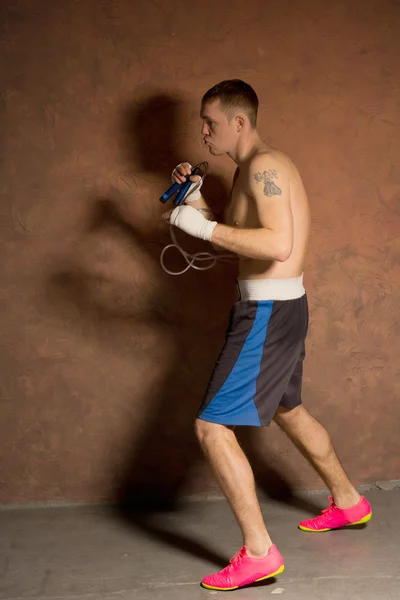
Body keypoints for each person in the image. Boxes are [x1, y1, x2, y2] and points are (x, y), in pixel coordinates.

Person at [164, 79, 372, 592]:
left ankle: (259, 554)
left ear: (239, 121)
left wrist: (200, 228)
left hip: (267, 313)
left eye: (210, 122)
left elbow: (278, 245)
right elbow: (247, 243)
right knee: (288, 409)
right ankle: (349, 502)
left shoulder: (265, 167)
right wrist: (197, 205)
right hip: (278, 307)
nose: (203, 131)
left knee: (212, 429)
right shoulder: (247, 171)